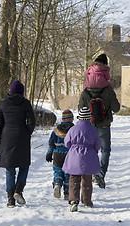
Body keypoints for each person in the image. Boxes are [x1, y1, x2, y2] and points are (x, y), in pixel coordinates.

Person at [79, 54, 120, 189]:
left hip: (89, 125)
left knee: (91, 150)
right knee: (105, 150)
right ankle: (101, 174)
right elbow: (116, 108)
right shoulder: (108, 89)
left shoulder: (85, 90)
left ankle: (92, 173)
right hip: (104, 124)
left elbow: (81, 109)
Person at [0, 80, 36, 208]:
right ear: (21, 92)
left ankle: (10, 199)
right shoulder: (25, 103)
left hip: (7, 138)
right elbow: (32, 121)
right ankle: (18, 190)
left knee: (9, 169)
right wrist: (27, 131)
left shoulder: (3, 104)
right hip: (22, 137)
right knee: (24, 166)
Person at [62, 107, 101, 212]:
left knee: (74, 179)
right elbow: (98, 144)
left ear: (79, 117)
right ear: (89, 118)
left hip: (74, 157)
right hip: (88, 158)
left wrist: (74, 148)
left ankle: (74, 201)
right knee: (87, 180)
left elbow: (67, 143)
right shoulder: (93, 130)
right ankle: (87, 201)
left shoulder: (73, 129)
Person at [46, 109, 74, 200]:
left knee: (58, 171)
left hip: (57, 154)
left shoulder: (56, 130)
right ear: (72, 119)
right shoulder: (73, 130)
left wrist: (49, 153)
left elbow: (51, 143)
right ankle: (67, 193)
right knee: (67, 174)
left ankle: (57, 184)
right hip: (69, 155)